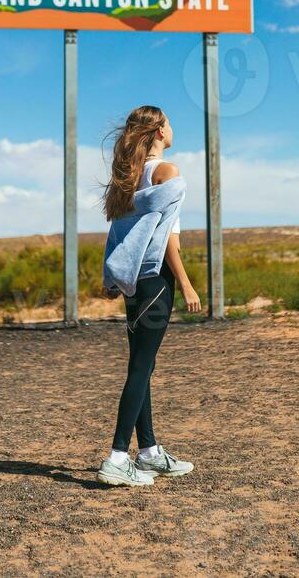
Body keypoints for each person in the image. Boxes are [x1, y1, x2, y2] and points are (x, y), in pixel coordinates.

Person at [96, 105, 202, 487]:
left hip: (132, 283)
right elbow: (167, 239)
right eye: (169, 123)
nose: (173, 128)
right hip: (155, 281)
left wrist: (111, 273)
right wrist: (187, 284)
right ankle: (117, 457)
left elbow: (121, 234)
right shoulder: (167, 174)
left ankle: (150, 452)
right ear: (158, 132)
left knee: (143, 366)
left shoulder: (126, 178)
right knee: (141, 367)